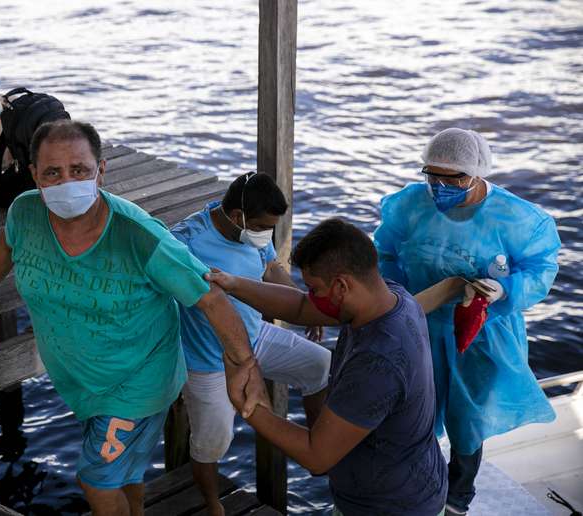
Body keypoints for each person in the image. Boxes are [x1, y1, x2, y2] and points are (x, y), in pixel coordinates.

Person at [0, 120, 267, 516]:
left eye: (78, 170)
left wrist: (242, 364)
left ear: (101, 170)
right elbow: (5, 247)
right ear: (35, 176)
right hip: (83, 381)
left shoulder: (138, 235)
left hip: (137, 383)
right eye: (53, 173)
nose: (66, 182)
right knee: (124, 476)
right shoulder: (26, 211)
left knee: (95, 481)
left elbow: (211, 298)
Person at [374, 127, 561, 515]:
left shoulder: (518, 219)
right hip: (419, 322)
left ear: (477, 173)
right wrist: (395, 296)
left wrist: (505, 289)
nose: (440, 186)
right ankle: (415, 483)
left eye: (453, 177)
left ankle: (457, 497)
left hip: (481, 334)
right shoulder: (409, 205)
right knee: (412, 408)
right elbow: (384, 254)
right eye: (433, 175)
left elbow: (541, 267)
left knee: (466, 419)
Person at [209, 218, 448, 516]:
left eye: (314, 289)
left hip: (390, 507)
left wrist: (249, 406)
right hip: (409, 481)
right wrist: (233, 284)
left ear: (341, 286)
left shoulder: (377, 363)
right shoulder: (389, 297)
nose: (311, 297)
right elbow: (298, 307)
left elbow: (316, 455)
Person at [171, 172, 331, 516]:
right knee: (213, 443)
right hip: (208, 360)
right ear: (236, 217)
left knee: (321, 363)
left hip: (257, 338)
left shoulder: (255, 230)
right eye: (261, 227)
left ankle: (321, 444)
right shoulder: (187, 240)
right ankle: (213, 504)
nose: (266, 234)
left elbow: (271, 269)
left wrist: (307, 307)